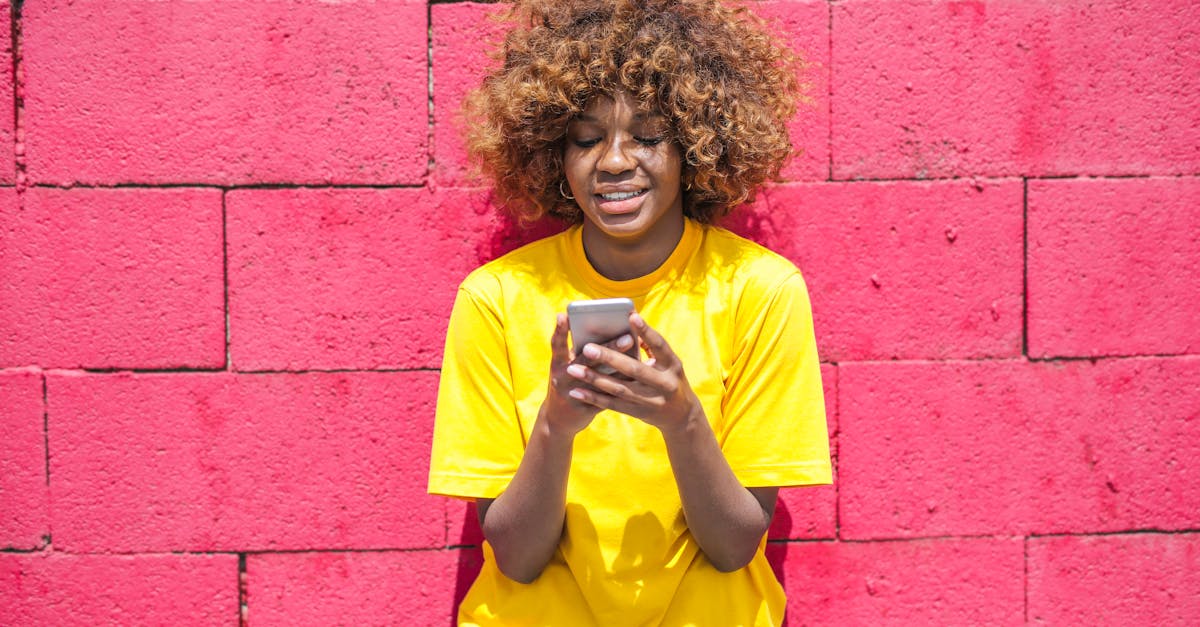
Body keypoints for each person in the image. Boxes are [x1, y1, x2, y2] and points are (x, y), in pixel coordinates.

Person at [427, 1, 831, 624]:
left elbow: (733, 547)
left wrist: (682, 420)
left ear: (696, 144)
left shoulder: (760, 290)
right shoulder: (496, 298)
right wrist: (556, 427)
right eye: (587, 139)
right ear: (554, 155)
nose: (614, 161)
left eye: (647, 135)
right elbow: (515, 556)